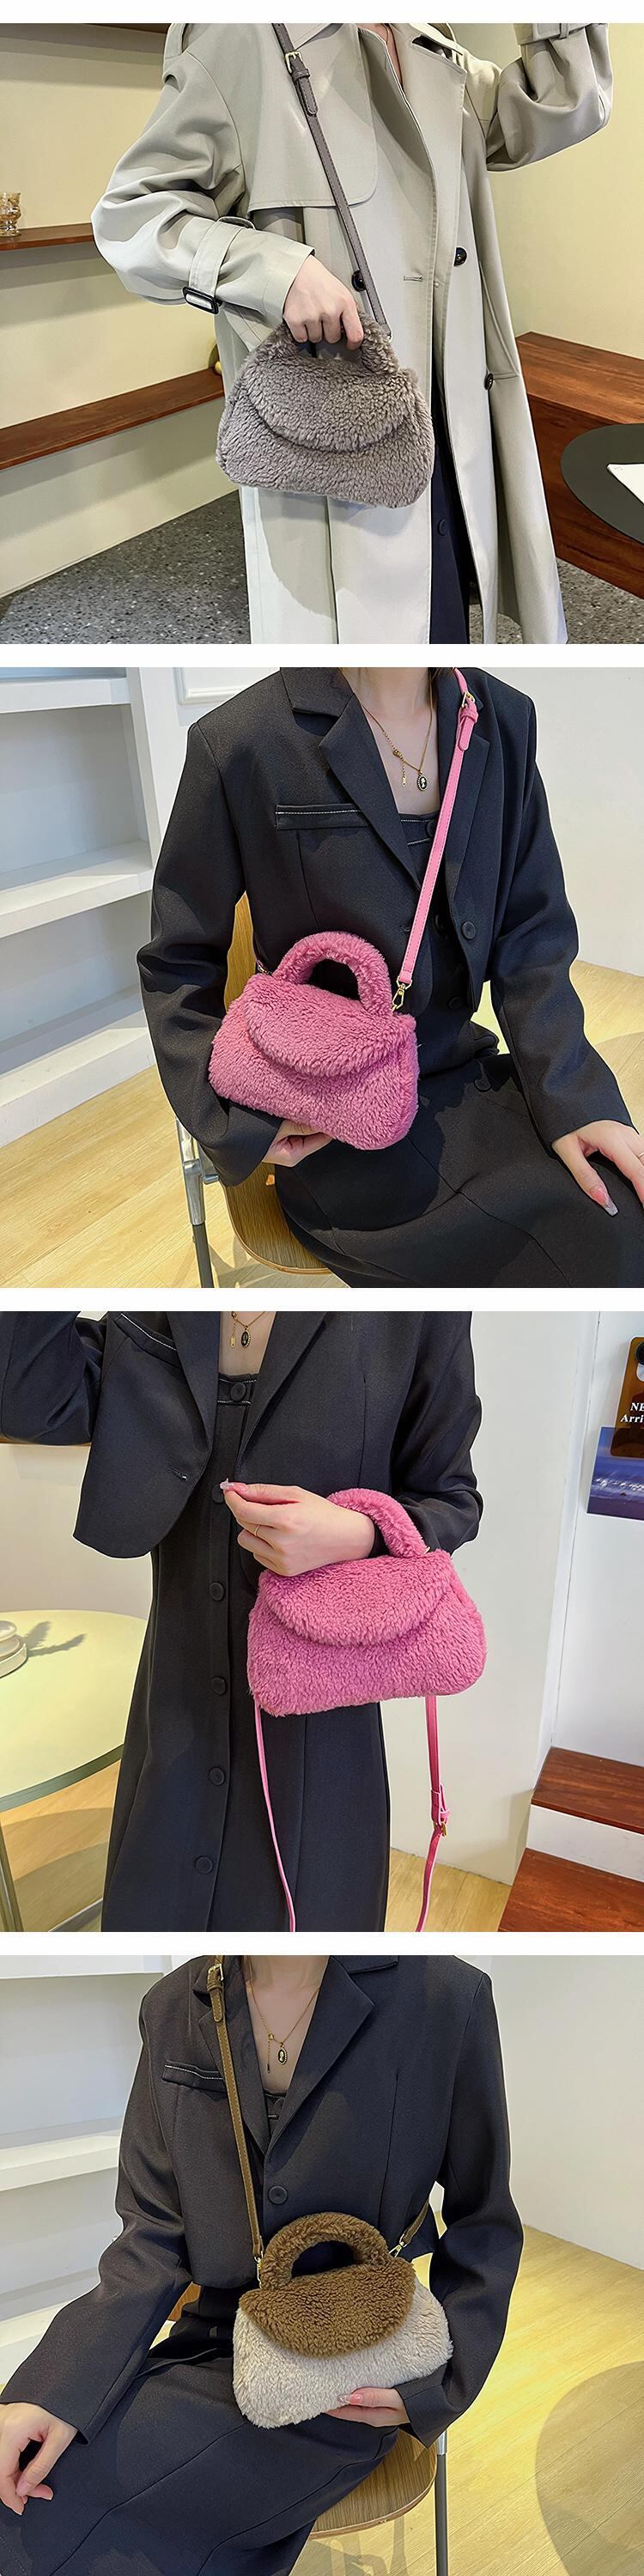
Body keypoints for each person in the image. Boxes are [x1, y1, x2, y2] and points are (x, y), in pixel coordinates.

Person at [0, 1953, 523, 2576]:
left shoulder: (444, 1998)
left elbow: (484, 2220)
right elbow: (151, 2237)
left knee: (60, 2525)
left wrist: (439, 2388)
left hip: (348, 2369)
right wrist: (53, 2389)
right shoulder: (173, 2006)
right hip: (210, 2347)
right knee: (25, 2486)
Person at [92, 22, 612, 644]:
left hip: (451, 419)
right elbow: (133, 218)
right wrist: (276, 272)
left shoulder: (429, 45)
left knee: (445, 626)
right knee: (371, 640)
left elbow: (563, 102)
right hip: (343, 424)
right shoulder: (241, 37)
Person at [137, 665, 644, 1288]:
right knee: (596, 1256)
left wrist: (574, 1098)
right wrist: (236, 1121)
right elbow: (176, 960)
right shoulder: (242, 740)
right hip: (335, 1124)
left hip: (469, 1081)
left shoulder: (502, 717)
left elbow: (532, 933)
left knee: (622, 1221)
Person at [0, 1309, 482, 1930]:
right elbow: (27, 1399)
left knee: (306, 1932)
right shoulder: (152, 1306)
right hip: (176, 1698)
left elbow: (452, 1498)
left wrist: (358, 1533)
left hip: (321, 1724)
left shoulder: (412, 1317)